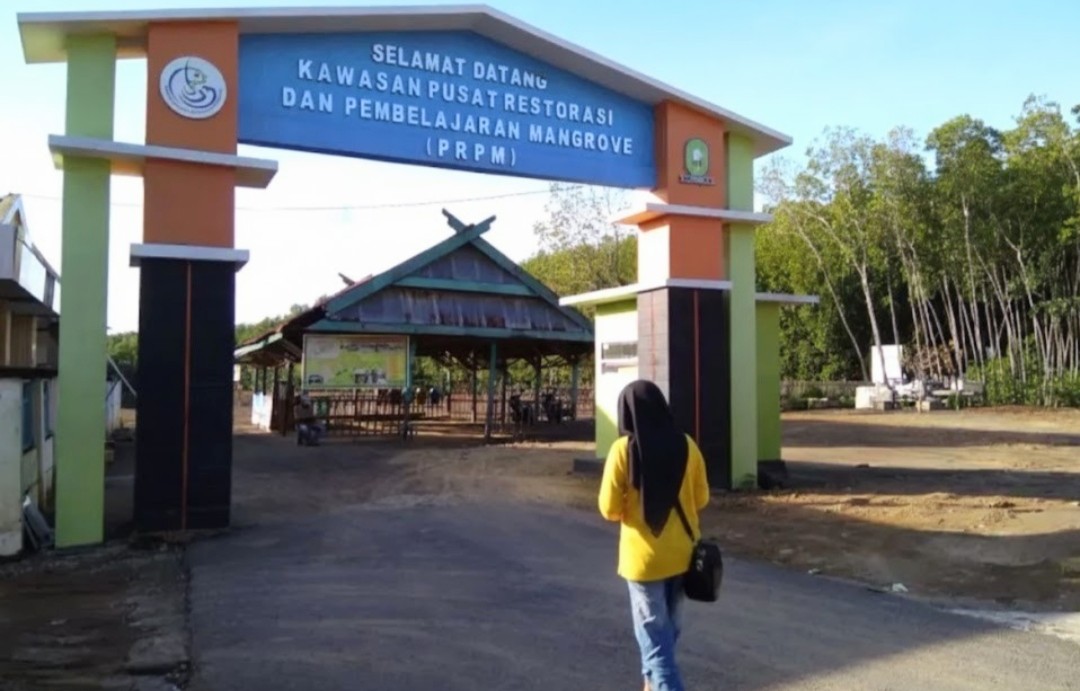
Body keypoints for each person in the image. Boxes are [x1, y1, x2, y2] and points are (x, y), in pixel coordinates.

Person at [598, 380, 710, 691]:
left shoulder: (623, 451)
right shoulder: (688, 445)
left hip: (644, 560)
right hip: (684, 555)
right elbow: (701, 500)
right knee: (666, 635)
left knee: (656, 641)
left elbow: (607, 509)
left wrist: (632, 509)